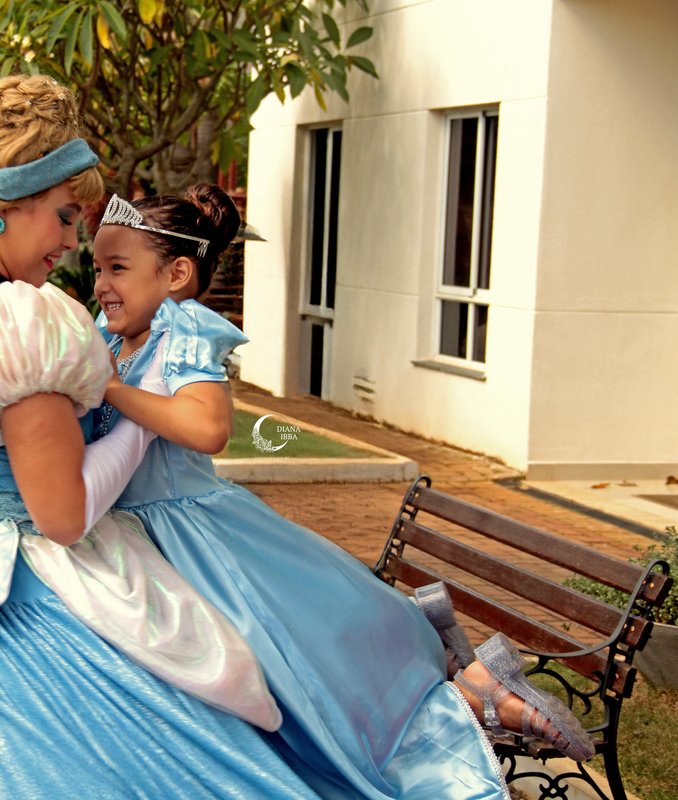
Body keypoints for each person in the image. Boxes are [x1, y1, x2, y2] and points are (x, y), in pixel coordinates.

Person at [0, 75, 327, 800]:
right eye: (63, 215)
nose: (73, 240)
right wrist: (144, 430)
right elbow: (63, 514)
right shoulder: (13, 323)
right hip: (34, 611)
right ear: (2, 208)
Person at [90, 184, 594, 800]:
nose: (101, 284)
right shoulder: (113, 337)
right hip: (128, 539)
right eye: (96, 268)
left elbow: (208, 428)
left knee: (277, 668)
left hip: (187, 534)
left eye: (117, 268)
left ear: (176, 274)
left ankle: (475, 696)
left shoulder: (182, 330)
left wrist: (109, 387)